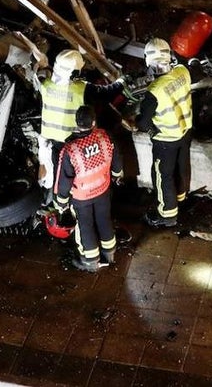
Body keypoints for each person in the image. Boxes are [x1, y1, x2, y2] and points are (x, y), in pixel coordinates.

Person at [37, 49, 123, 200]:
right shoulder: (81, 89)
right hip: (72, 143)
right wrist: (123, 81)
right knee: (78, 175)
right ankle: (77, 201)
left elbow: (41, 74)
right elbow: (106, 93)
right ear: (74, 73)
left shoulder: (46, 85)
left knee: (60, 176)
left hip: (52, 142)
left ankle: (61, 203)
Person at [53, 106, 124, 272]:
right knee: (104, 219)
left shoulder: (70, 149)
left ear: (76, 123)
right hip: (103, 189)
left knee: (85, 225)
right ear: (93, 122)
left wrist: (61, 203)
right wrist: (116, 175)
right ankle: (110, 253)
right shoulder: (105, 137)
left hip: (81, 197)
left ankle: (90, 261)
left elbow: (63, 180)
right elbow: (117, 159)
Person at [135, 38, 192, 228]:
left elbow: (143, 123)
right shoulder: (182, 72)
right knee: (181, 166)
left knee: (162, 175)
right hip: (185, 132)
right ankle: (180, 198)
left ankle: (167, 214)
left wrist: (145, 127)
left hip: (166, 140)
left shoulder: (154, 90)